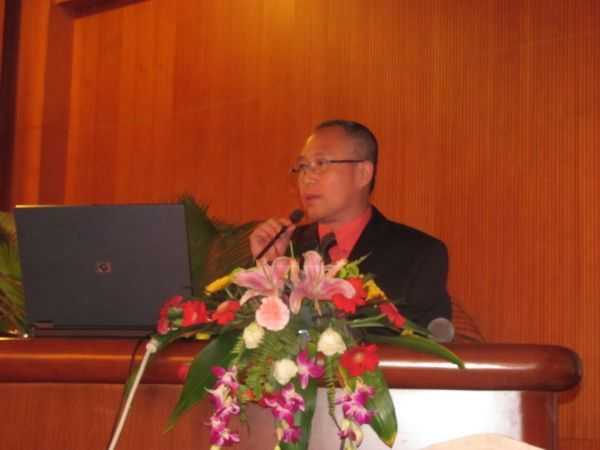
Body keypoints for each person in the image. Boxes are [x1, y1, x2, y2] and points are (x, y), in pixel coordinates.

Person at [249, 120, 451, 327]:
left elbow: (426, 342)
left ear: (363, 173)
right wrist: (267, 269)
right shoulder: (285, 249)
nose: (306, 178)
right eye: (302, 167)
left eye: (321, 164)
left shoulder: (418, 256)